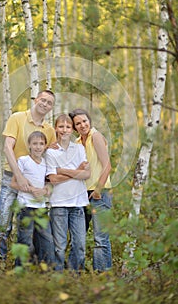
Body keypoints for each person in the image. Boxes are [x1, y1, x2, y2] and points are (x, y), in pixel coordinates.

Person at [0, 90, 56, 264]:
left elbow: (53, 158)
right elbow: (7, 148)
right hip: (12, 178)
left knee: (32, 228)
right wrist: (19, 176)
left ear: (51, 108)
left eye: (49, 103)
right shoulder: (17, 118)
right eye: (43, 100)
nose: (45, 104)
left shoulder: (49, 130)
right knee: (3, 225)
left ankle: (28, 268)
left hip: (37, 183)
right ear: (35, 100)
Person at [45, 114, 90, 271]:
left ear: (73, 129)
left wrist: (62, 170)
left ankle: (75, 278)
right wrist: (75, 172)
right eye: (61, 126)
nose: (64, 130)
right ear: (56, 128)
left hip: (78, 204)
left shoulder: (79, 148)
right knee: (59, 246)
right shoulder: (50, 152)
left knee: (79, 246)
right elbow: (52, 179)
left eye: (68, 127)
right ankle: (57, 278)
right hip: (59, 204)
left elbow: (86, 174)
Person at [69, 109, 112, 272]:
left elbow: (107, 166)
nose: (82, 125)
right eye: (78, 123)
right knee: (78, 237)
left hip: (100, 193)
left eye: (85, 121)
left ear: (90, 121)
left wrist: (98, 190)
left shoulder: (96, 137)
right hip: (82, 194)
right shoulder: (78, 143)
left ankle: (102, 275)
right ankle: (76, 274)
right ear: (74, 128)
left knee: (100, 238)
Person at [11, 131, 55, 267]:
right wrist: (31, 190)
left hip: (41, 208)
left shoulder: (46, 163)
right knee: (24, 240)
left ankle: (46, 272)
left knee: (47, 241)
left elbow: (49, 185)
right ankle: (20, 271)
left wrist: (43, 191)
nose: (38, 147)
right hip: (26, 207)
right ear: (29, 145)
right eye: (35, 144)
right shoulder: (23, 161)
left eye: (41, 144)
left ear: (45, 146)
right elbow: (13, 183)